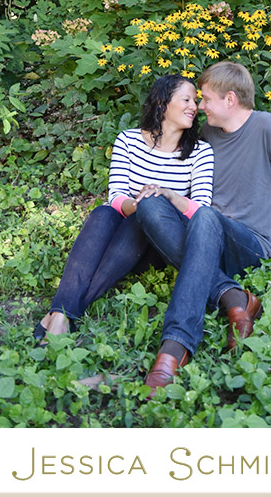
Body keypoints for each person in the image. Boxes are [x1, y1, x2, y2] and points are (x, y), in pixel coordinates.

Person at [134, 61, 271, 393]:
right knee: (150, 204)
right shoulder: (206, 134)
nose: (199, 107)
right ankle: (234, 296)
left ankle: (175, 345)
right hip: (204, 238)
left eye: (206, 99)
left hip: (252, 243)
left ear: (230, 99)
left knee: (205, 215)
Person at [34, 74, 214, 341]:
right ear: (162, 103)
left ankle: (61, 313)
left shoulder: (200, 152)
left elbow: (201, 211)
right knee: (103, 212)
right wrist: (140, 205)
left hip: (159, 243)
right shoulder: (128, 141)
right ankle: (61, 317)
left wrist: (162, 199)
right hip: (122, 237)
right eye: (186, 100)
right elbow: (116, 196)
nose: (194, 107)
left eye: (195, 101)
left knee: (144, 217)